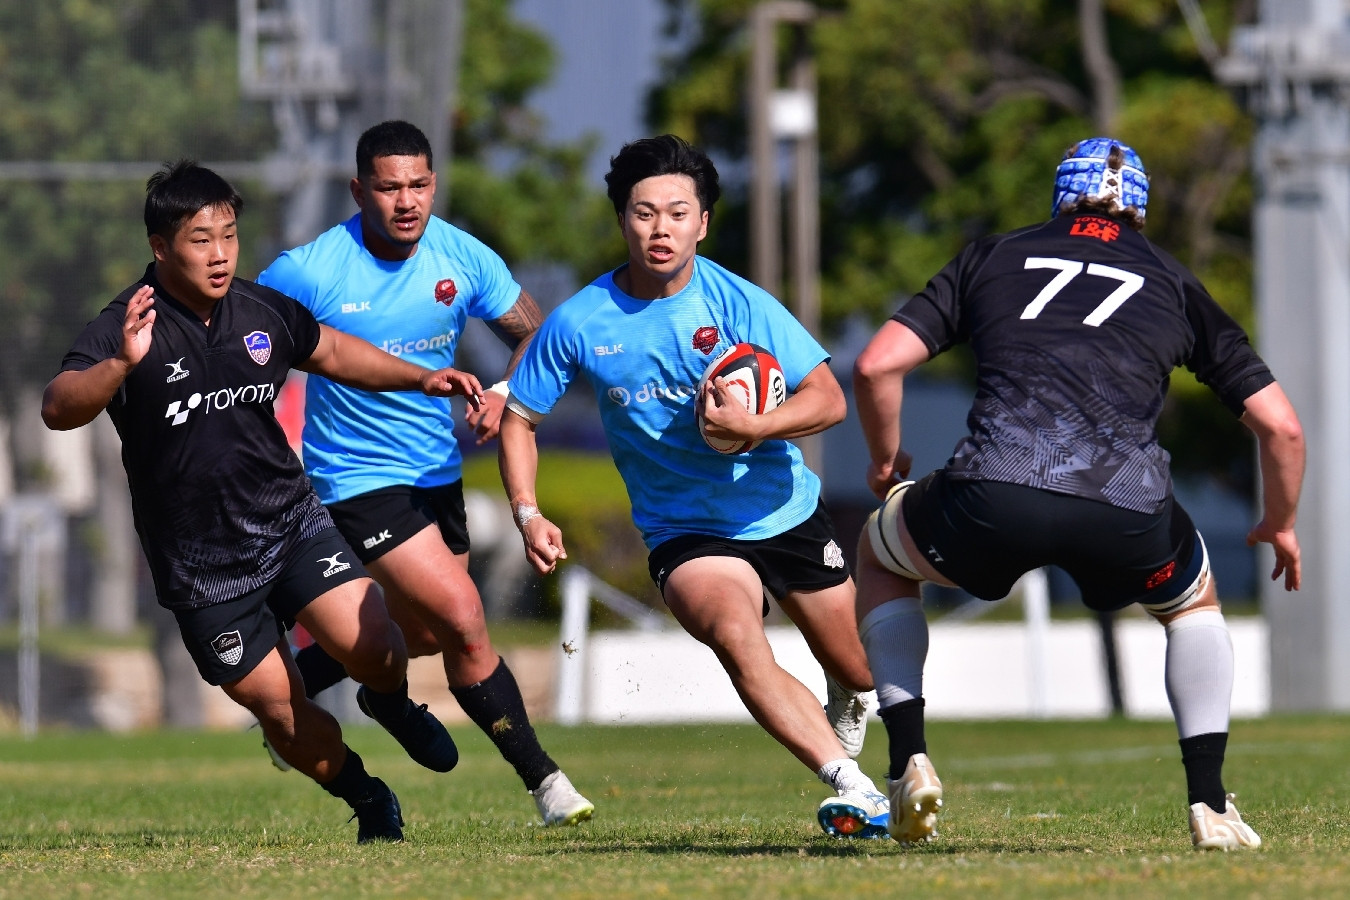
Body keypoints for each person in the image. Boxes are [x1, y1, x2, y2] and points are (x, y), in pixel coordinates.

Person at [851, 137, 1305, 850]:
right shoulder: (1173, 281)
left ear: (1061, 197)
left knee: (880, 558)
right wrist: (1279, 523)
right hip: (1124, 512)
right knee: (1191, 607)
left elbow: (878, 365)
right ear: (1142, 211)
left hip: (991, 494)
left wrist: (886, 464)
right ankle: (1210, 805)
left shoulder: (992, 255)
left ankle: (908, 755)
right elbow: (1281, 429)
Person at [41, 160, 481, 843]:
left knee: (370, 644)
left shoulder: (259, 310)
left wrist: (424, 379)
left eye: (229, 235)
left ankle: (389, 701)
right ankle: (368, 798)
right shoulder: (125, 325)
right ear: (160, 247)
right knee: (280, 714)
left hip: (290, 525)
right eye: (199, 239)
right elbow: (58, 408)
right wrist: (120, 365)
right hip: (202, 568)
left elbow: (332, 350)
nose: (219, 254)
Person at [497, 134, 889, 838]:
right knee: (739, 637)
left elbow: (827, 397)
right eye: (644, 213)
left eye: (677, 213)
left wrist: (756, 425)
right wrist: (527, 513)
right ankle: (851, 786)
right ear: (622, 219)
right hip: (684, 531)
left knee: (861, 669)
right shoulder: (582, 321)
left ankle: (849, 698)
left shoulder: (739, 302)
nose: (660, 228)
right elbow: (519, 419)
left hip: (781, 509)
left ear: (702, 222)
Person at [256, 119, 594, 827]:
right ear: (359, 190)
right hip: (353, 481)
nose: (406, 201)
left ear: (433, 184)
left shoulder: (461, 256)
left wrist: (504, 394)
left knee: (430, 637)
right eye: (388, 187)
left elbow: (535, 334)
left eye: (418, 185)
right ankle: (546, 782)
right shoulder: (309, 270)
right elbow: (239, 344)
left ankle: (334, 692)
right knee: (467, 618)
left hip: (436, 475)